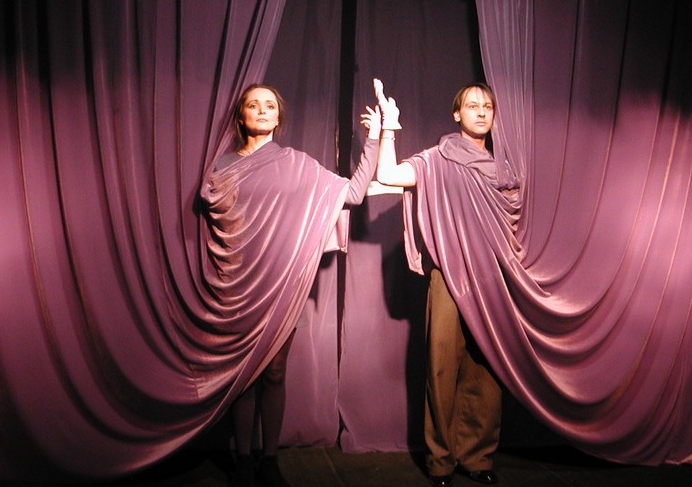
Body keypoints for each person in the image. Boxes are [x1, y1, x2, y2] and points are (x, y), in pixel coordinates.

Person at [201, 83, 382, 487]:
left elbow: (353, 194)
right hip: (237, 284)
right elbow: (213, 212)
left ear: (278, 117)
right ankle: (243, 461)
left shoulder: (298, 165)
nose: (262, 110)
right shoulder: (221, 166)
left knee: (275, 371)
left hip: (283, 283)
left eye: (270, 105)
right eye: (254, 105)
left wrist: (373, 138)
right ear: (241, 116)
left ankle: (269, 460)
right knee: (244, 375)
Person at [369, 79, 508, 486]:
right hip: (449, 276)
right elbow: (388, 175)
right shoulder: (438, 158)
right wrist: (389, 127)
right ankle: (441, 460)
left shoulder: (504, 166)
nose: (481, 112)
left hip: (492, 280)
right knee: (442, 366)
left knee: (487, 369)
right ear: (456, 114)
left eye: (487, 106)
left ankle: (477, 457)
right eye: (472, 105)